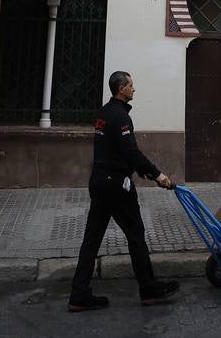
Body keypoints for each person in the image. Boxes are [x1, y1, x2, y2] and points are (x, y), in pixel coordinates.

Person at [68, 71, 179, 312]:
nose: (134, 89)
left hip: (98, 180)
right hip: (115, 185)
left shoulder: (103, 113)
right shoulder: (120, 116)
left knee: (92, 239)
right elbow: (130, 153)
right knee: (136, 233)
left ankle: (79, 294)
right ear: (121, 89)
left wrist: (139, 170)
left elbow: (112, 149)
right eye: (131, 85)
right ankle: (149, 289)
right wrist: (156, 174)